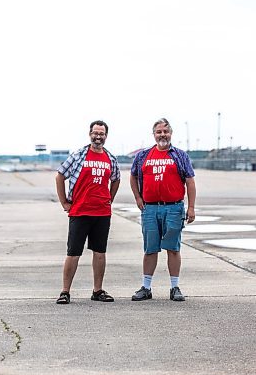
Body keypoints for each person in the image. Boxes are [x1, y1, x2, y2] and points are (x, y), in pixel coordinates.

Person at [130, 118, 196, 302]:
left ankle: (175, 287)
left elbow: (190, 181)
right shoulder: (143, 156)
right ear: (154, 134)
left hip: (173, 208)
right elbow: (133, 176)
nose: (162, 135)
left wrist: (190, 207)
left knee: (173, 249)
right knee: (150, 249)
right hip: (150, 209)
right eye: (159, 132)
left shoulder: (179, 155)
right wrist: (138, 197)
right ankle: (146, 287)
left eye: (165, 132)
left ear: (171, 133)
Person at [55, 120, 120, 304]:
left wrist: (109, 199)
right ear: (90, 134)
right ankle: (65, 292)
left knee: (100, 252)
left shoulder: (111, 159)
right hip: (80, 212)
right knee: (73, 252)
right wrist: (64, 203)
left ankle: (97, 290)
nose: (98, 136)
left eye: (101, 133)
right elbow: (60, 175)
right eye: (95, 133)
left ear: (106, 136)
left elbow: (116, 179)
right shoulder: (78, 156)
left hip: (102, 213)